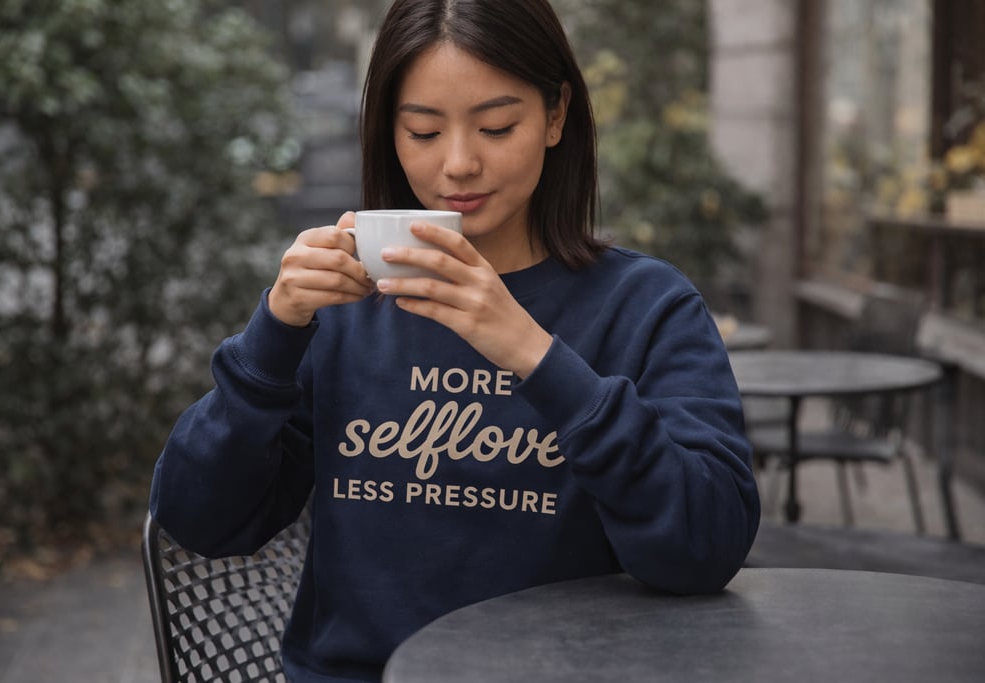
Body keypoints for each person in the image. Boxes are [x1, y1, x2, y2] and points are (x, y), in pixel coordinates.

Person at [149, 0, 761, 680]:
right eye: (423, 130)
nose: (459, 163)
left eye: (496, 127)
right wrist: (272, 333)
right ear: (389, 130)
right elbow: (198, 520)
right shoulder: (346, 305)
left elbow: (706, 547)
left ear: (556, 115)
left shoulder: (645, 308)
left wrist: (533, 353)